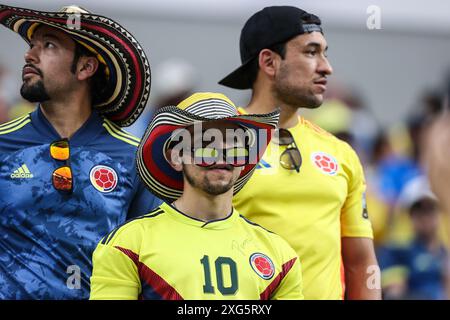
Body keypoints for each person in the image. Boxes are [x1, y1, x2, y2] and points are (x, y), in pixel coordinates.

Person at [219, 6, 380, 299]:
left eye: (325, 53)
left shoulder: (342, 153)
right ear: (269, 62)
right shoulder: (218, 145)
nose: (326, 67)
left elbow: (362, 263)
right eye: (310, 52)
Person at [0, 5, 161, 299]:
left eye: (48, 45)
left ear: (86, 68)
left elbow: (148, 261)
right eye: (32, 45)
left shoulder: (134, 157)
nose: (29, 55)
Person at [90, 92, 304, 300]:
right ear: (175, 157)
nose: (221, 156)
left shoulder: (281, 256)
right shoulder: (128, 244)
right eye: (206, 145)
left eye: (234, 146)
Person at [380, 176, 449, 300]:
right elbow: (394, 293)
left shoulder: (444, 252)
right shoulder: (400, 251)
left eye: (430, 210)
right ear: (411, 217)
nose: (425, 217)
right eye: (419, 211)